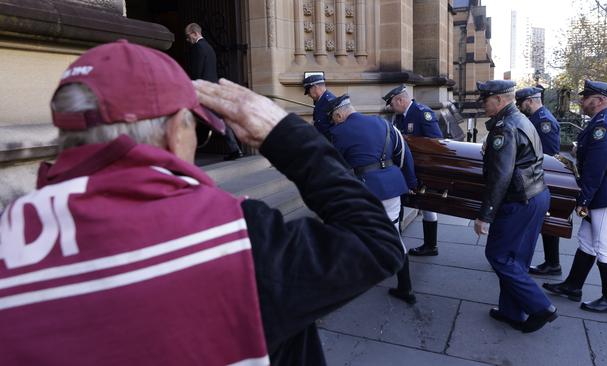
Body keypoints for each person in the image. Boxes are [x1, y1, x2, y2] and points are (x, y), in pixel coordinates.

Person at [0, 40, 405, 366]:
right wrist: (283, 134)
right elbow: (375, 243)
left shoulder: (9, 235)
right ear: (177, 131)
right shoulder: (237, 239)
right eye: (199, 131)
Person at [543, 80, 607, 314]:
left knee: (605, 246)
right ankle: (573, 286)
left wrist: (582, 200)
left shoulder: (604, 126)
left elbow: (595, 168)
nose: (582, 101)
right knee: (586, 240)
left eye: (587, 97)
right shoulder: (600, 123)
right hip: (604, 191)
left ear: (601, 100)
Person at [474, 80, 557, 333]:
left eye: (486, 100)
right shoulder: (521, 120)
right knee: (517, 259)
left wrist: (485, 216)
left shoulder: (504, 128)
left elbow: (501, 176)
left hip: (518, 200)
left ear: (499, 100)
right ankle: (512, 312)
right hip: (535, 195)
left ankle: (541, 306)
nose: (483, 104)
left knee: (498, 256)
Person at [327, 94, 419, 305]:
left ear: (339, 114)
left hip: (363, 190)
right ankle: (406, 288)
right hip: (392, 186)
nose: (334, 121)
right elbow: (404, 155)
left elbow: (333, 167)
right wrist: (411, 182)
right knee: (393, 234)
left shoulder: (337, 132)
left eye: (334, 118)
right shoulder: (384, 124)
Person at [383, 85, 443, 257]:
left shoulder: (421, 112)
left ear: (400, 100)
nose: (391, 108)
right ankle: (398, 241)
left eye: (392, 104)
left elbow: (436, 142)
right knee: (406, 203)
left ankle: (431, 245)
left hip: (422, 168)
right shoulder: (400, 116)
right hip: (406, 168)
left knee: (427, 206)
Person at [515, 86, 563, 276]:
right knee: (545, 223)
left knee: (547, 221)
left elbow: (548, 154)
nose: (519, 107)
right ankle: (552, 263)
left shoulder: (543, 122)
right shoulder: (535, 118)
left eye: (521, 103)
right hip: (535, 177)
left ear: (530, 101)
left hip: (541, 177)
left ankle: (552, 263)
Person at [185, 22, 243, 160]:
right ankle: (235, 149)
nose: (188, 40)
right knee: (217, 119)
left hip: (203, 91)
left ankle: (187, 152)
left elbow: (196, 72)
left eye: (188, 36)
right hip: (213, 88)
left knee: (191, 118)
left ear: (195, 33)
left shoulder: (198, 47)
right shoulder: (209, 47)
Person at [303, 74, 337, 140]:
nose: (309, 95)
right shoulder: (321, 101)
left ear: (315, 87)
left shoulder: (330, 102)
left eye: (308, 91)